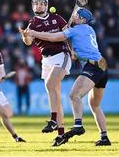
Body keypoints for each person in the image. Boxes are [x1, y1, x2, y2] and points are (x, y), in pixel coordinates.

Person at [22, 8, 111, 146]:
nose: (74, 17)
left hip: (93, 67)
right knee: (94, 105)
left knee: (74, 95)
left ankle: (78, 125)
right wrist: (75, 52)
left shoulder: (74, 30)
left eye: (76, 16)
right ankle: (104, 137)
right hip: (103, 67)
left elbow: (53, 37)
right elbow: (82, 46)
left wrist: (33, 33)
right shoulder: (89, 29)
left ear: (82, 20)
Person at [19, 0, 72, 146]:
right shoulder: (32, 23)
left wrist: (73, 50)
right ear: (33, 6)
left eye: (42, 3)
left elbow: (67, 35)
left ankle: (53, 120)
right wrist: (25, 36)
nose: (39, 6)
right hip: (46, 60)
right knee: (55, 94)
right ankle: (61, 135)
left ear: (47, 5)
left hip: (61, 55)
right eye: (37, 4)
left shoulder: (58, 18)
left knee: (49, 85)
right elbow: (28, 42)